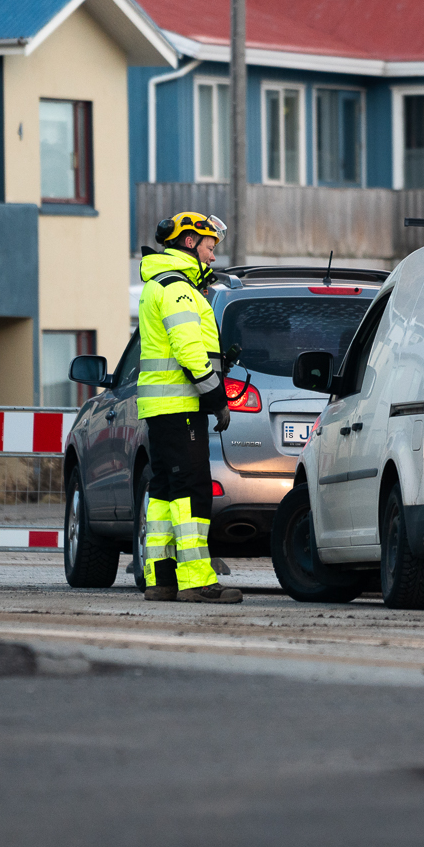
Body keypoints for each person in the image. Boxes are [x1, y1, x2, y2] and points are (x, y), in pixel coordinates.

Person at [135, 210, 242, 604]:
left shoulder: (157, 283)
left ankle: (160, 579)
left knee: (163, 491)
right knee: (192, 490)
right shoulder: (179, 288)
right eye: (210, 247)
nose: (213, 257)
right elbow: (189, 349)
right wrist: (217, 397)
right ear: (190, 243)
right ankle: (197, 580)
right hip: (181, 406)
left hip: (161, 408)